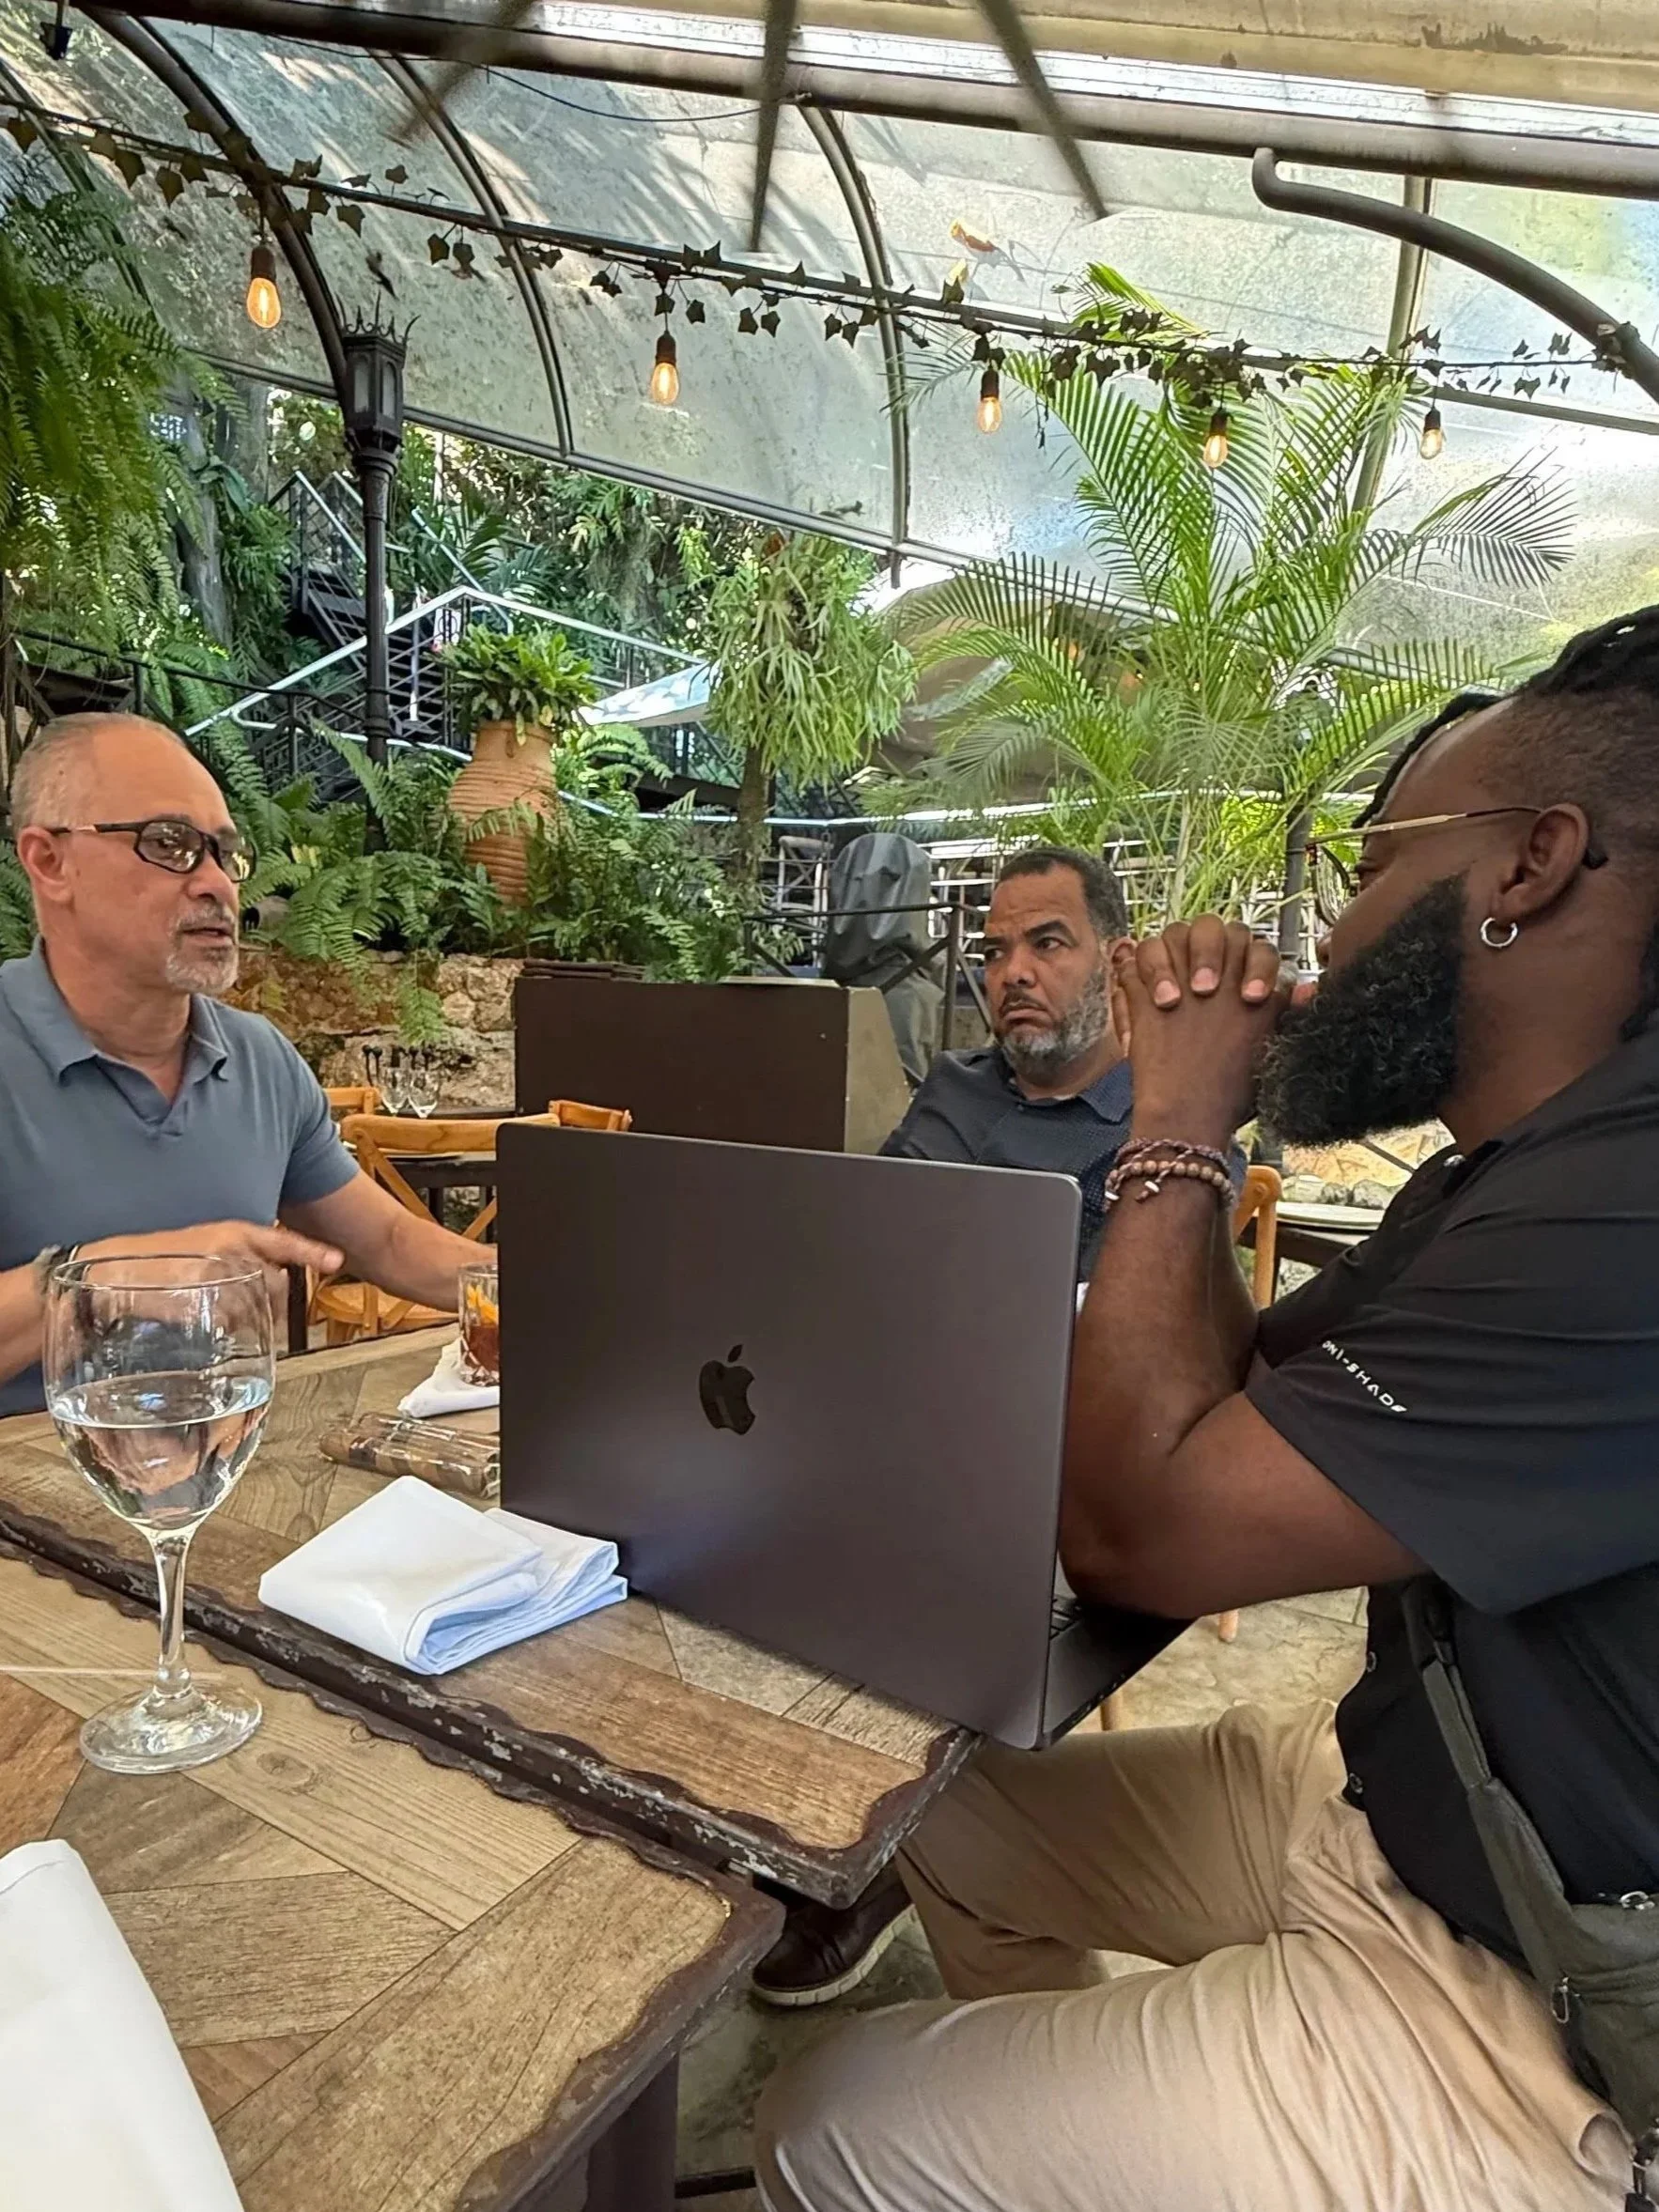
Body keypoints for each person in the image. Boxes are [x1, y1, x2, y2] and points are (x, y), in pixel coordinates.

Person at [754, 608, 1659, 2210]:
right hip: (1404, 1809)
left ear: (1528, 865)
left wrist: (1169, 1122)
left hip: (1541, 2004)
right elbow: (1235, 1394)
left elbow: (1133, 1541)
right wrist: (1200, 1130)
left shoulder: (1625, 1208)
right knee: (942, 1816)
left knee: (822, 2119)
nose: (1329, 929)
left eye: (1368, 868)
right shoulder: (1512, 1171)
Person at [752, 841, 1240, 2009]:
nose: (1010, 971)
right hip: (892, 1414)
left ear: (1115, 962)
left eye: (1045, 943)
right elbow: (862, 1242)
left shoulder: (1164, 1125)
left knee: (899, 1566)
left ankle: (890, 1853)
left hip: (1053, 1454)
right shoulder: (955, 1089)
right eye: (994, 950)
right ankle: (803, 1809)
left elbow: (1142, 1351)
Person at [0, 713, 488, 1410]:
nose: (218, 885)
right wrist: (107, 1279)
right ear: (51, 863)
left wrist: (561, 1288)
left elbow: (385, 1240)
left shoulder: (259, 1058)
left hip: (227, 1453)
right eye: (168, 844)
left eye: (225, 854)